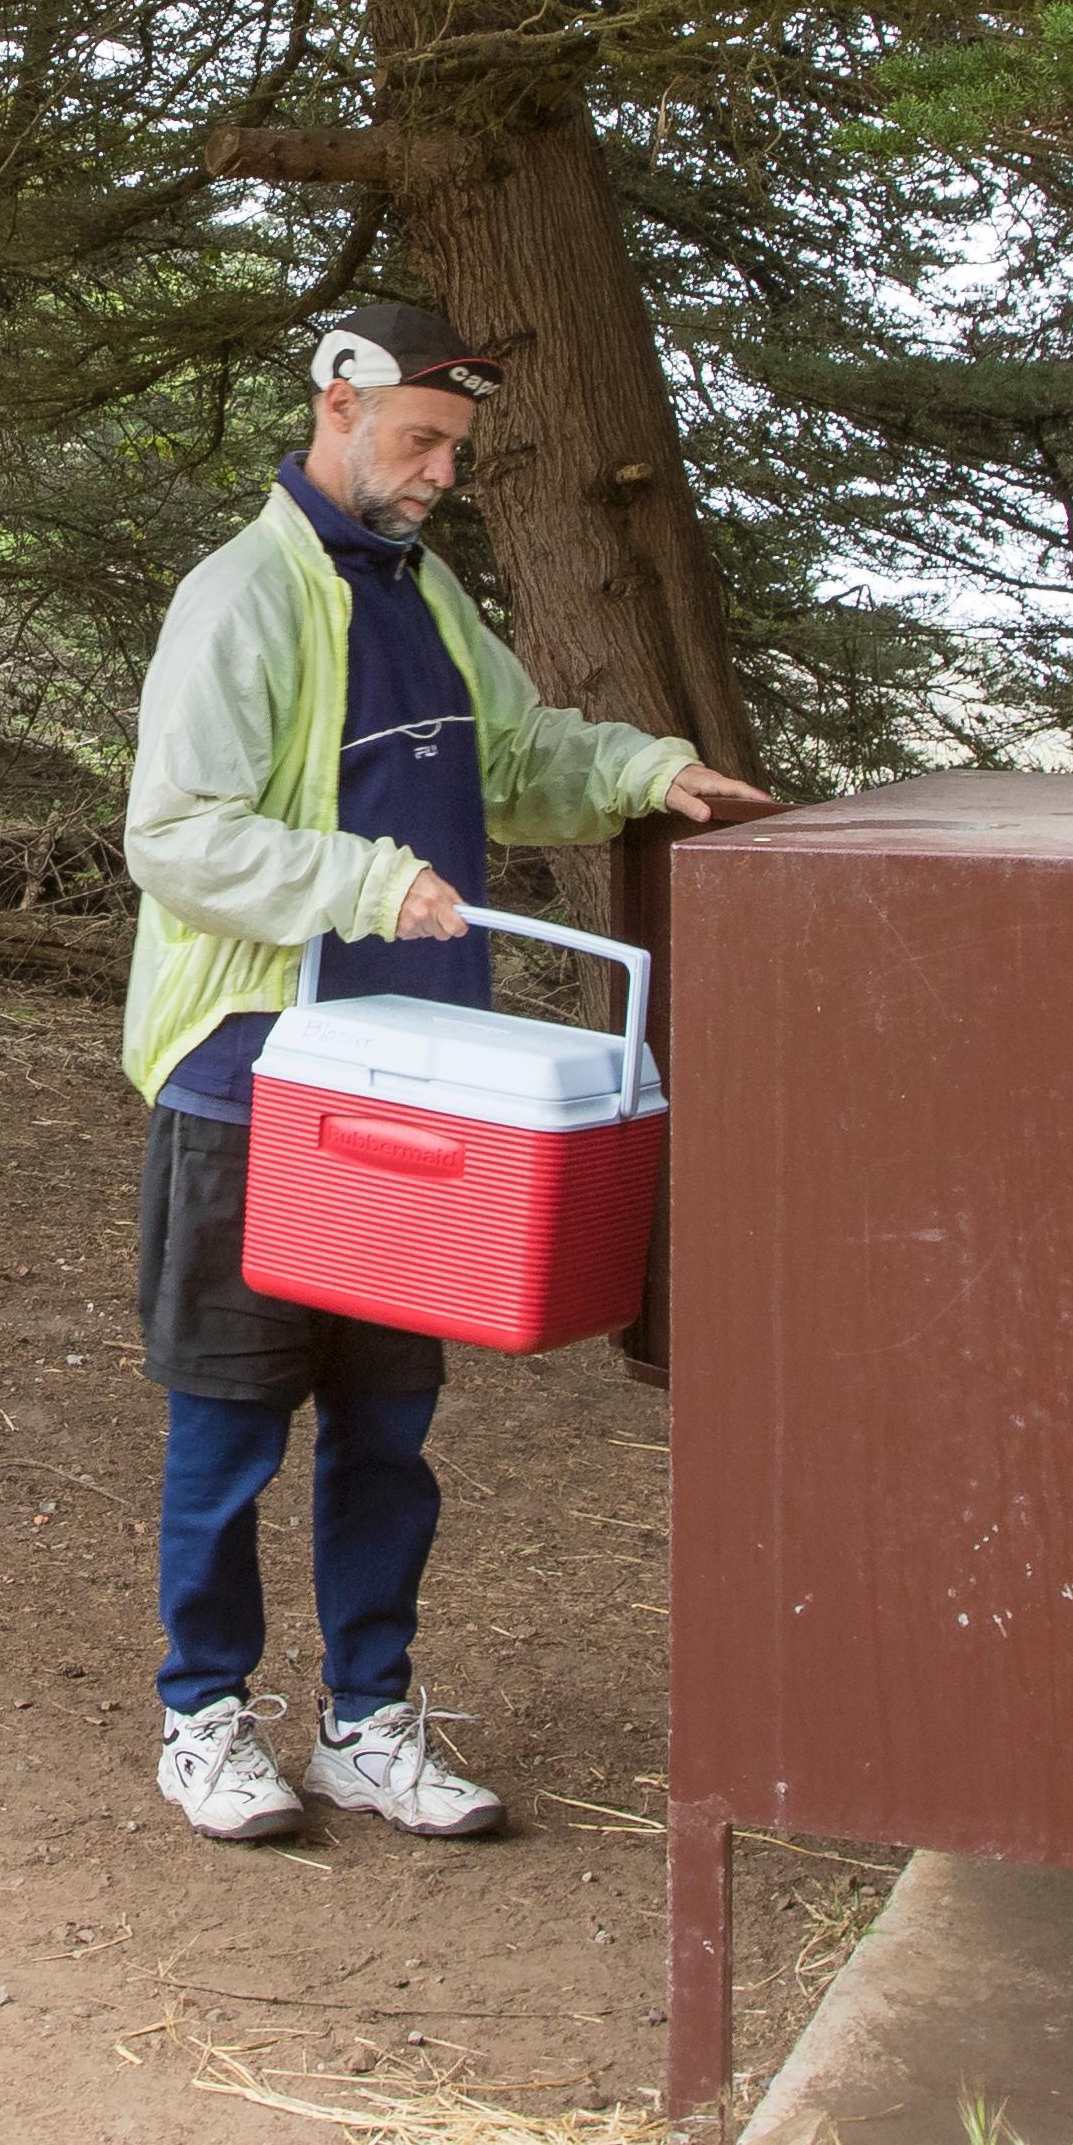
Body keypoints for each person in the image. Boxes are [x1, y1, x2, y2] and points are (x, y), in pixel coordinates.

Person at [119, 301, 780, 1844]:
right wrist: (360, 880)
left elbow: (519, 754)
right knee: (229, 1422)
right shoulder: (241, 600)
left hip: (427, 1084)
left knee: (388, 1427)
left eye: (456, 452)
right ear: (334, 406)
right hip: (258, 1075)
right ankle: (203, 1715)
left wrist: (641, 771)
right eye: (418, 441)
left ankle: (367, 1719)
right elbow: (177, 836)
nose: (437, 475)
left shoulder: (418, 588)